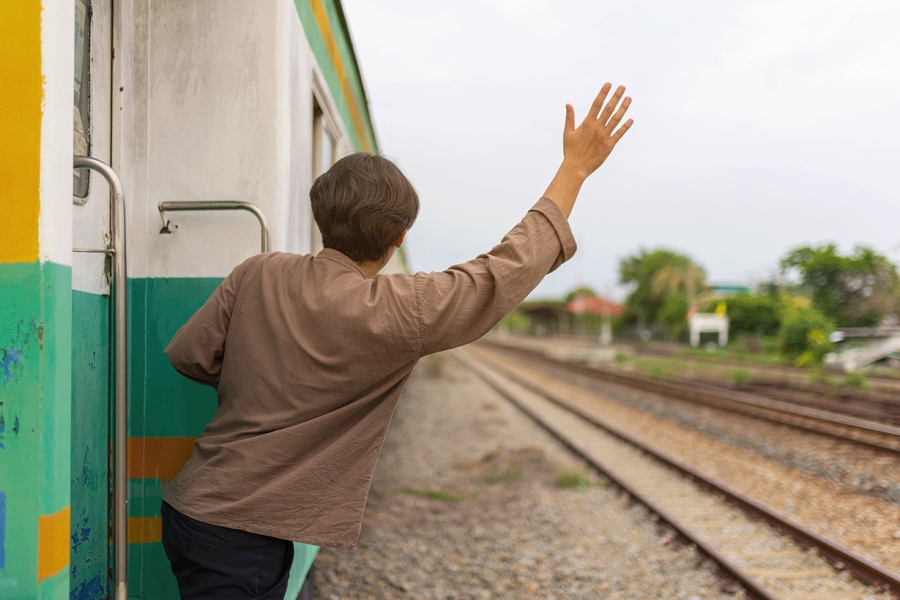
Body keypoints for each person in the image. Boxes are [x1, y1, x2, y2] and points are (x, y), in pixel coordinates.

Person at [161, 83, 633, 599]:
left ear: (321, 216)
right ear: (398, 239)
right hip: (244, 533)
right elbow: (502, 272)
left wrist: (259, 374)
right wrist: (574, 171)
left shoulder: (257, 272)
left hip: (193, 510)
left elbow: (189, 355)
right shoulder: (400, 309)